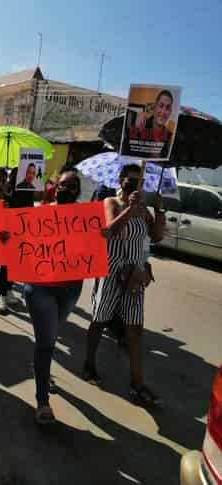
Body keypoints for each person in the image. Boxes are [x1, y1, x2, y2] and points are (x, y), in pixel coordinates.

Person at [82, 163, 166, 406]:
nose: (133, 185)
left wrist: (159, 210)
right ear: (120, 182)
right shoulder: (112, 203)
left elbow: (157, 236)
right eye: (129, 181)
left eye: (137, 181)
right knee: (99, 320)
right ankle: (89, 363)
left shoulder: (144, 210)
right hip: (110, 274)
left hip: (135, 277)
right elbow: (108, 230)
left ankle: (137, 384)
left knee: (135, 328)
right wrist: (129, 208)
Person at [23, 170, 83, 424]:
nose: (66, 190)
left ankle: (41, 370)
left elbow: (96, 246)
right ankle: (42, 401)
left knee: (50, 336)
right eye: (62, 185)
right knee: (46, 342)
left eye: (72, 187)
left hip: (71, 289)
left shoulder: (87, 219)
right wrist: (7, 234)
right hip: (41, 289)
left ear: (78, 192)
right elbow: (17, 241)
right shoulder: (39, 213)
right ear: (54, 187)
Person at [0, 167, 34, 314]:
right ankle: (2, 296)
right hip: (8, 233)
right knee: (6, 265)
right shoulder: (7, 189)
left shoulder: (28, 191)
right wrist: (2, 204)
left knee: (15, 265)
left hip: (22, 233)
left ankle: (9, 290)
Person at [125, 90, 174, 159]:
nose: (163, 112)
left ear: (170, 112)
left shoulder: (170, 137)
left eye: (167, 108)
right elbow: (126, 152)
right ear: (155, 107)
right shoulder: (139, 126)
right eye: (161, 106)